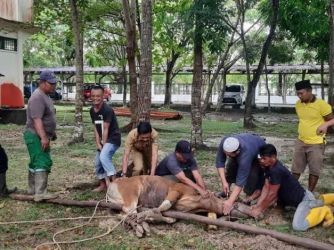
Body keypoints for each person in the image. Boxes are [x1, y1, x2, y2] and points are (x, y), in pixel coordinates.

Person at [249, 144, 334, 231]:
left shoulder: (276, 170)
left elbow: (272, 194)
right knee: (315, 203)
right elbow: (266, 187)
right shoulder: (268, 166)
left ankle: (324, 211)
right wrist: (258, 205)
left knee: (298, 226)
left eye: (264, 159)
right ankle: (326, 199)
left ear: (273, 157)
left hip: (304, 200)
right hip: (301, 197)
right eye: (261, 159)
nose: (262, 161)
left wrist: (259, 209)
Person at [292, 80, 334, 191]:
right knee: (295, 169)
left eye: (301, 93)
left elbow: (332, 120)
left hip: (316, 143)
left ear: (310, 91)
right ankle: (290, 192)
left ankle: (309, 194)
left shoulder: (322, 105)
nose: (299, 96)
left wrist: (326, 125)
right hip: (300, 141)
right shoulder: (298, 104)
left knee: (314, 170)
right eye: (298, 94)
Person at [24, 70, 58, 202]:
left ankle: (32, 189)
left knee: (35, 161)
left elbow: (46, 117)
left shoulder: (46, 95)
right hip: (35, 135)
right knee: (42, 161)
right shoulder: (37, 97)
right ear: (42, 83)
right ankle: (40, 193)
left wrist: (51, 133)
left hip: (37, 135)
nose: (53, 86)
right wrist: (43, 137)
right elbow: (37, 120)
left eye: (54, 83)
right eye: (51, 83)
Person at [216, 133, 266, 215]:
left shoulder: (246, 155)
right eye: (226, 154)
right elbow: (220, 162)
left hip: (258, 150)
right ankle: (226, 191)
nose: (226, 156)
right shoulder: (225, 142)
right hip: (246, 143)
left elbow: (240, 181)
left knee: (253, 175)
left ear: (237, 152)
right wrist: (224, 181)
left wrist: (230, 202)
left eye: (229, 155)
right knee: (230, 167)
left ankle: (248, 199)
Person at [90, 85, 121, 192]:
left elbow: (106, 128)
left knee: (104, 156)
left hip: (113, 139)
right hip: (103, 139)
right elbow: (95, 127)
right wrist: (98, 143)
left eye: (98, 96)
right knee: (98, 163)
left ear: (103, 96)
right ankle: (103, 184)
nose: (95, 98)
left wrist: (103, 143)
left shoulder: (107, 110)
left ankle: (114, 183)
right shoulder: (92, 110)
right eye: (93, 96)